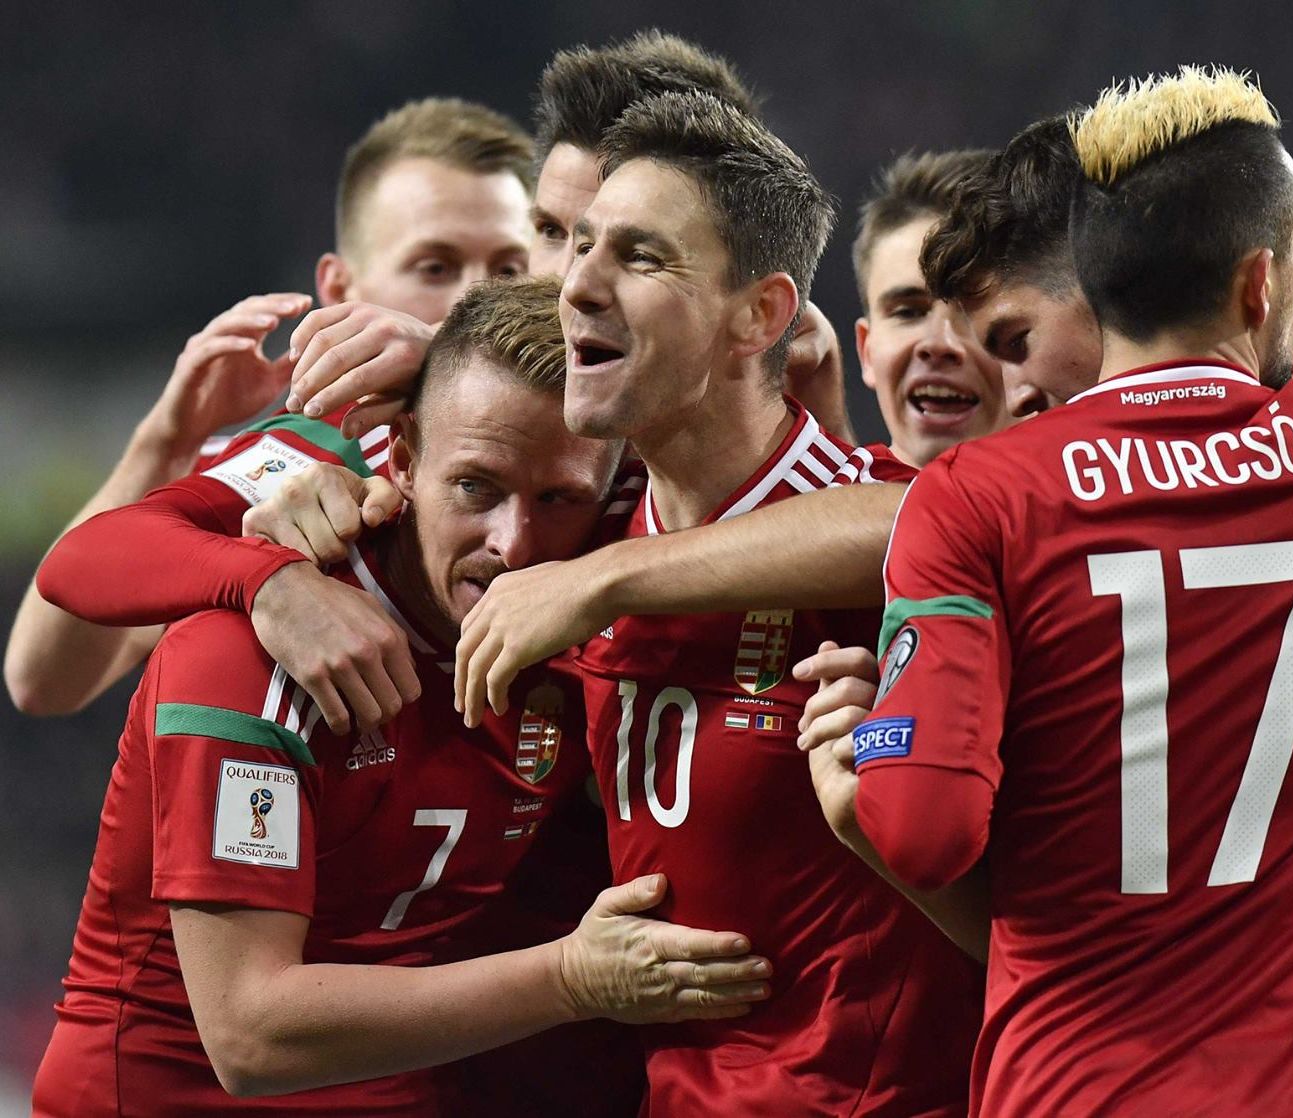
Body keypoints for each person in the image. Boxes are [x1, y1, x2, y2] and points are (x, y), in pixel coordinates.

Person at [848, 67, 1293, 1115]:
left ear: (1100, 284)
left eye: (1013, 342)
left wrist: (859, 768)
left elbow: (923, 831)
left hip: (1077, 1087)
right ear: (1259, 285)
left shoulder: (974, 497)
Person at [30, 277, 768, 1115]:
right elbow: (251, 1035)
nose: (513, 543)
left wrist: (803, 374)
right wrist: (266, 582)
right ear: (405, 460)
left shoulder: (609, 558)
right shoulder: (271, 603)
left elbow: (860, 519)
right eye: (475, 488)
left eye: (558, 499)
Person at [458, 90, 983, 1117]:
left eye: (640, 257)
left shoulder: (860, 518)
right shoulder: (576, 531)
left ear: (760, 316)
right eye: (581, 246)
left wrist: (609, 579)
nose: (578, 284)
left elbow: (936, 524)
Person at [6, 97, 535, 717]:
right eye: (435, 267)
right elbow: (44, 680)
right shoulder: (284, 461)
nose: (474, 300)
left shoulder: (587, 446)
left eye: (509, 269)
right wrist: (166, 449)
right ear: (340, 289)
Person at [287, 30, 852, 445]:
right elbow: (232, 506)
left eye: (636, 254)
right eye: (556, 234)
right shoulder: (389, 414)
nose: (573, 283)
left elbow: (878, 521)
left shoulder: (765, 395)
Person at [850, 149, 1007, 466]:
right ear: (866, 350)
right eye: (908, 312)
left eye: (973, 310)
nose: (938, 344)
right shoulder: (804, 497)